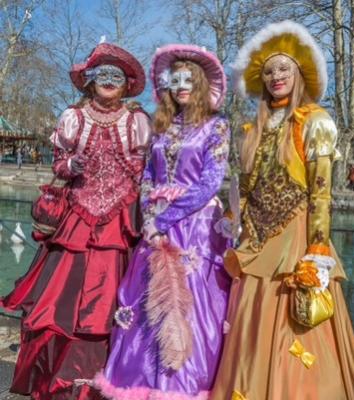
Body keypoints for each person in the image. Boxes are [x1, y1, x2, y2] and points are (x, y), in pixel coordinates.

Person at [211, 21, 354, 400]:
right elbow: (246, 187)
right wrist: (234, 219)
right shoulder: (256, 128)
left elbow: (320, 192)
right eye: (268, 71)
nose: (275, 77)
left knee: (296, 324)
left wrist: (317, 250)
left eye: (283, 69)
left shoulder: (316, 121)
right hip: (257, 240)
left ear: (298, 72)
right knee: (253, 329)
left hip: (297, 241)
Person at [0, 42, 151, 400]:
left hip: (120, 222)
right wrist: (71, 166)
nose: (110, 81)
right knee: (61, 302)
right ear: (90, 80)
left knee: (115, 301)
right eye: (103, 75)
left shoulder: (137, 120)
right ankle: (65, 380)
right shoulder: (74, 117)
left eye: (117, 76)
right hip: (78, 219)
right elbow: (59, 163)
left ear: (127, 83)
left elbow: (146, 167)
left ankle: (111, 380)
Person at [94, 44, 231, 399]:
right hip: (156, 228)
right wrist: (150, 216)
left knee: (190, 305)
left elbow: (210, 183)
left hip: (196, 229)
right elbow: (149, 177)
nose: (182, 85)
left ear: (200, 84)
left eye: (189, 79)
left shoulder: (216, 127)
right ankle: (138, 384)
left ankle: (183, 387)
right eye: (176, 79)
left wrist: (167, 216)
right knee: (146, 303)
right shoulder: (162, 126)